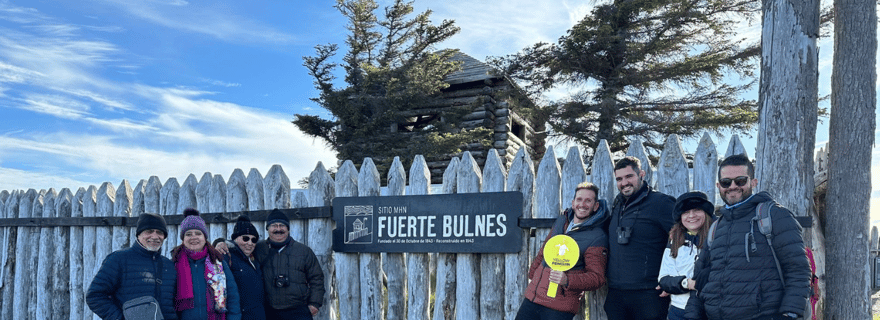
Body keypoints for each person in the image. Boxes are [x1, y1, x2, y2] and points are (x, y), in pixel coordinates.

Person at [684, 154, 810, 320]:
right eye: (726, 182)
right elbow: (700, 280)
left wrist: (790, 314)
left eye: (740, 181)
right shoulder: (716, 227)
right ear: (718, 185)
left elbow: (798, 271)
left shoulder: (775, 216)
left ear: (753, 182)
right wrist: (692, 315)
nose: (733, 186)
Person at [515, 182, 609, 320]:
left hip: (559, 308)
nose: (582, 204)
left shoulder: (597, 237)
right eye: (579, 199)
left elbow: (597, 278)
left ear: (595, 206)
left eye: (588, 201)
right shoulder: (561, 221)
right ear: (573, 203)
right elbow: (545, 250)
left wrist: (567, 280)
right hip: (532, 299)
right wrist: (534, 274)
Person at [604, 156, 676, 320]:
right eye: (619, 179)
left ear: (641, 174)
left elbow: (682, 238)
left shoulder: (661, 203)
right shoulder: (618, 204)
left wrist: (672, 279)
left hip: (648, 294)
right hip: (616, 293)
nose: (624, 183)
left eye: (629, 176)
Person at [87, 212, 179, 319]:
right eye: (149, 231)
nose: (155, 236)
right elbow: (95, 296)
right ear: (139, 234)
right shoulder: (118, 259)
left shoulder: (169, 265)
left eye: (160, 232)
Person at [172, 208, 241, 320]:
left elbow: (232, 296)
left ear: (205, 237)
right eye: (188, 234)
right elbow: (168, 300)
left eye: (198, 233)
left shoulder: (218, 262)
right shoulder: (174, 265)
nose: (193, 237)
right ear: (183, 239)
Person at [256, 208, 325, 320]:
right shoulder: (258, 248)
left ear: (288, 228)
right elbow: (238, 247)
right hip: (268, 310)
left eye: (282, 225)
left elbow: (316, 278)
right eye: (274, 225)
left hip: (298, 310)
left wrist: (315, 303)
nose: (278, 229)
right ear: (268, 228)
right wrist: (223, 243)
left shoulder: (303, 251)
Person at [656, 191, 714, 320]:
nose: (691, 215)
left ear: (706, 212)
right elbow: (664, 279)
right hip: (678, 310)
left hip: (708, 309)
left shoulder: (717, 237)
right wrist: (687, 283)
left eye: (697, 210)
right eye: (686, 212)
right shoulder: (675, 239)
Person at [218, 215, 266, 320]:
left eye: (254, 240)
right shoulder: (227, 256)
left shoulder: (254, 259)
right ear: (235, 238)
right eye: (245, 238)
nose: (250, 243)